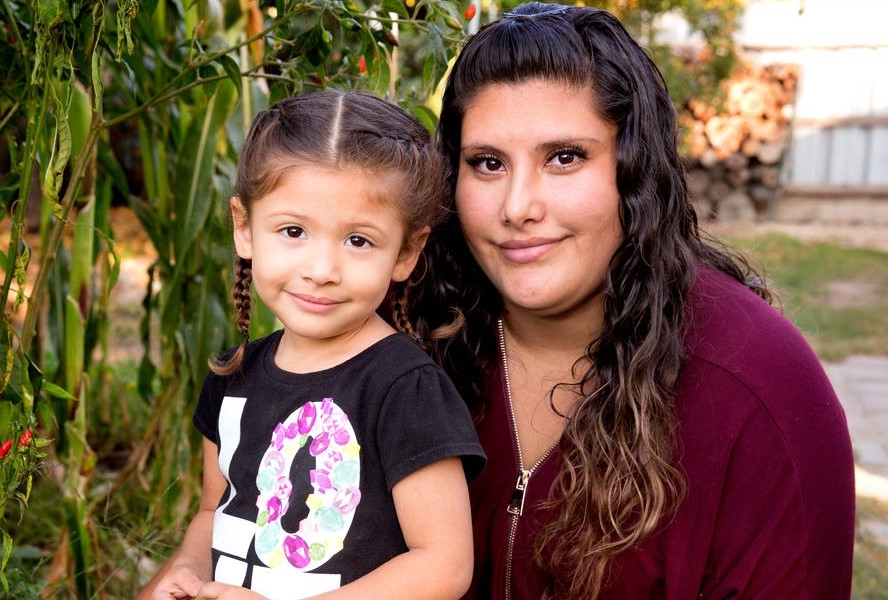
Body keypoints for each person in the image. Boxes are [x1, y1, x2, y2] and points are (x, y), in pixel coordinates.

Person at [403, 3, 856, 599]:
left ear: (635, 169)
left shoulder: (758, 387)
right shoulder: (410, 339)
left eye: (564, 157)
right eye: (486, 164)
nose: (517, 206)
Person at [140, 90, 487, 600]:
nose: (321, 271)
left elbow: (444, 564)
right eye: (293, 230)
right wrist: (185, 574)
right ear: (245, 229)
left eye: (358, 241)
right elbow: (213, 513)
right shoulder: (233, 377)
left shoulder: (405, 391)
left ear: (406, 252)